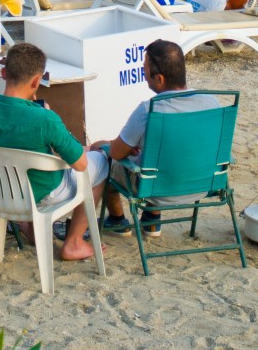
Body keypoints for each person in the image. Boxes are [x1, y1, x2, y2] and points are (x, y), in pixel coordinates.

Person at [0, 42, 107, 262]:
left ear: (3, 73)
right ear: (36, 81)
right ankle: (74, 242)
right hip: (44, 194)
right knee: (100, 162)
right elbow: (80, 164)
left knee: (29, 163)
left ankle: (32, 231)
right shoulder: (45, 119)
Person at [91, 39, 220, 237]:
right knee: (161, 152)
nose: (143, 74)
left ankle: (117, 221)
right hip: (204, 185)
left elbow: (116, 153)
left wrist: (103, 145)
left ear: (159, 79)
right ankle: (151, 220)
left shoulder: (148, 110)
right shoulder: (212, 103)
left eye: (144, 69)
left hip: (158, 189)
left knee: (102, 154)